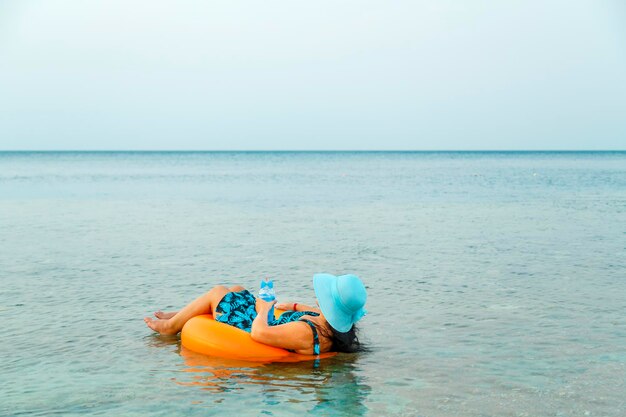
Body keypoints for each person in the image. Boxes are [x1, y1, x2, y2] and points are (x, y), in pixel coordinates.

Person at [144, 273, 367, 355]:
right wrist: (296, 306)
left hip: (255, 327)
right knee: (238, 289)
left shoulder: (305, 332)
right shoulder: (331, 326)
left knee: (218, 291)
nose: (319, 298)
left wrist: (265, 308)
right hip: (272, 321)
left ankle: (170, 327)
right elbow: (317, 312)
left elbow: (259, 333)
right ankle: (185, 312)